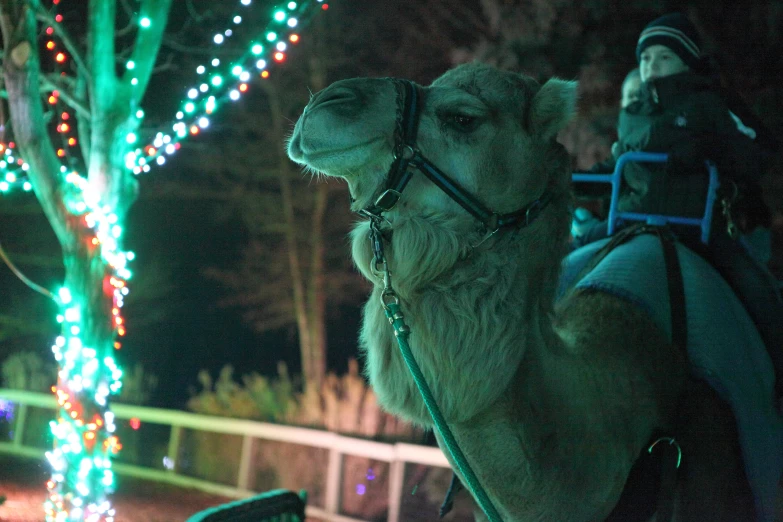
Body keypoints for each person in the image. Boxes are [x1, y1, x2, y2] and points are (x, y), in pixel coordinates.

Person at [572, 13, 783, 402]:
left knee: (757, 290)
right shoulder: (634, 113)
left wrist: (712, 149)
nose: (652, 66)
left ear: (687, 61)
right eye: (646, 58)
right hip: (630, 222)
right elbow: (620, 170)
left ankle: (776, 376)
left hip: (697, 228)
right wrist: (569, 183)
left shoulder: (709, 103)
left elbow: (761, 149)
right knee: (564, 267)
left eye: (664, 57)